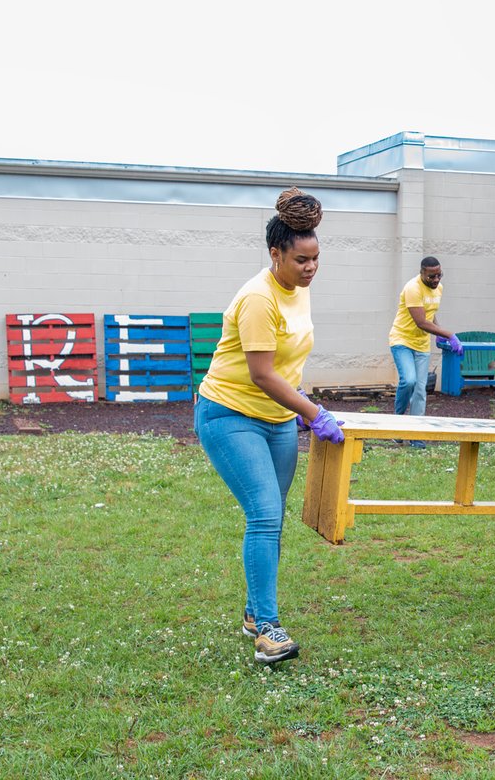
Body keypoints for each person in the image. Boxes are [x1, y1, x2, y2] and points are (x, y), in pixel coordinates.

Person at [194, 187, 345, 665]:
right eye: (301, 259)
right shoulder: (259, 298)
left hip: (277, 420)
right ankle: (267, 630)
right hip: (230, 413)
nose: (311, 268)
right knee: (263, 513)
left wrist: (295, 409)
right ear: (275, 253)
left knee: (272, 519)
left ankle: (252, 610)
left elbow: (288, 359)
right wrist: (313, 411)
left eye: (316, 258)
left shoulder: (297, 288)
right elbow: (261, 373)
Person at [388, 256, 462, 448]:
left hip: (422, 344)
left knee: (420, 390)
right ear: (422, 273)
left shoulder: (439, 288)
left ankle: (416, 436)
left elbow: (429, 312)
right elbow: (421, 322)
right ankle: (398, 425)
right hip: (402, 340)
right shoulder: (413, 288)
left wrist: (438, 333)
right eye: (432, 276)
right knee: (409, 381)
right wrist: (449, 334)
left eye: (439, 275)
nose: (436, 280)